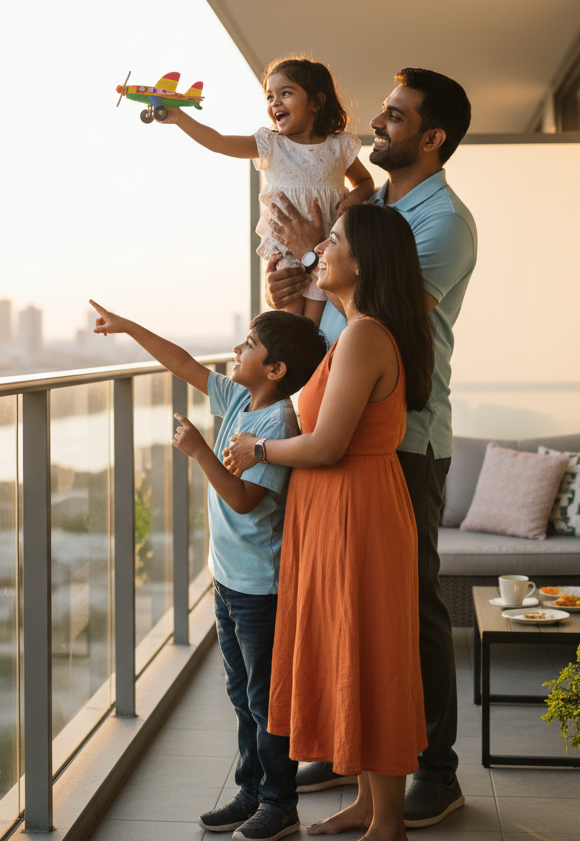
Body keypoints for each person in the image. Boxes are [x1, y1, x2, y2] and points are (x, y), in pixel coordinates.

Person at [261, 68, 476, 828]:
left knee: (408, 611)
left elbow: (381, 317)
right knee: (353, 611)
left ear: (433, 136)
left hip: (400, 439)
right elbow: (333, 314)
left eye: (394, 115)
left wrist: (313, 254)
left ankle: (434, 769)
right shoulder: (371, 205)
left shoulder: (440, 222)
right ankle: (362, 749)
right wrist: (296, 293)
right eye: (383, 113)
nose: (377, 125)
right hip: (340, 428)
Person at [225, 203, 435, 840]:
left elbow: (326, 445)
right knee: (352, 644)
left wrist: (256, 451)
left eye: (334, 239)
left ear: (362, 262)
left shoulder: (367, 334)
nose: (323, 247)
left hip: (357, 511)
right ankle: (371, 804)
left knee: (372, 651)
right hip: (338, 511)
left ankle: (388, 822)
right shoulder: (354, 329)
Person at [89, 299, 328, 841]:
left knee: (264, 700)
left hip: (257, 590)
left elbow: (244, 500)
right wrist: (128, 326)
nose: (237, 350)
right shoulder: (240, 398)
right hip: (227, 579)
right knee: (241, 693)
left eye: (249, 344)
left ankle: (279, 802)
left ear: (276, 370)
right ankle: (251, 790)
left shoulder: (277, 422)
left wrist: (201, 451)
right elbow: (184, 364)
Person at [158, 55, 374, 321]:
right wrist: (180, 117)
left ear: (316, 102)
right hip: (284, 245)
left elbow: (365, 182)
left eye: (286, 93)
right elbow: (218, 142)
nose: (276, 103)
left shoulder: (339, 146)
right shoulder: (271, 144)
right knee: (291, 319)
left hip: (323, 248)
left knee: (316, 316)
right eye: (270, 97)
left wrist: (350, 201)